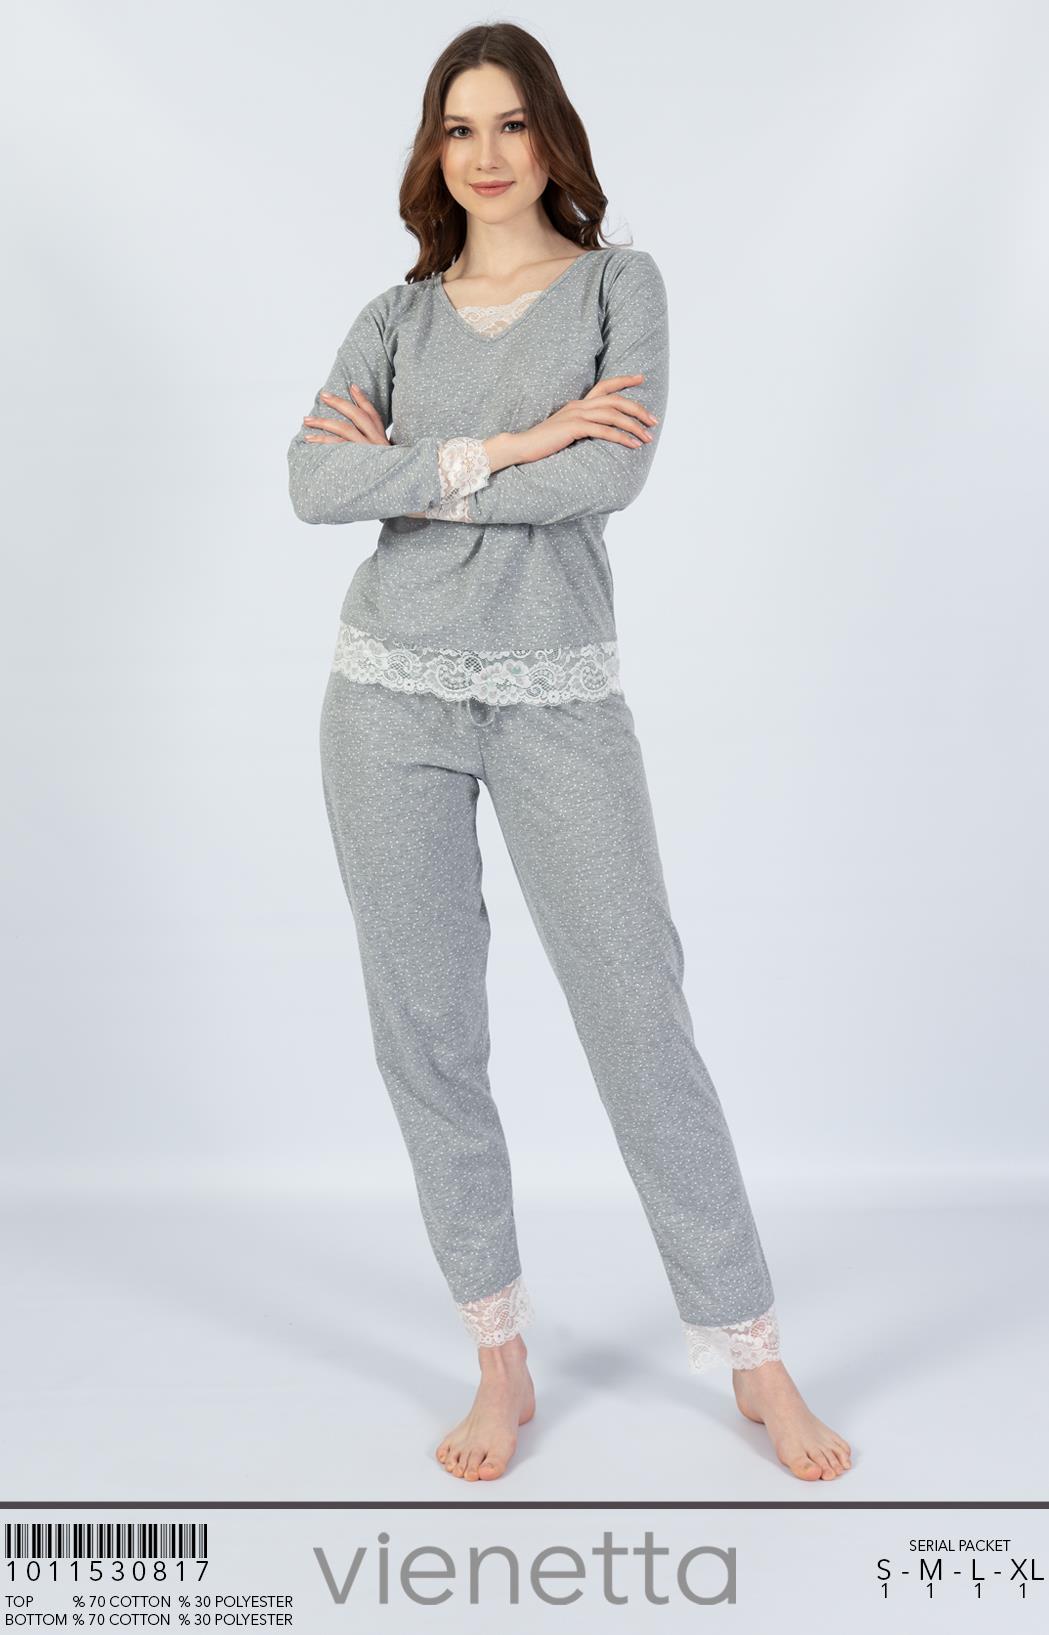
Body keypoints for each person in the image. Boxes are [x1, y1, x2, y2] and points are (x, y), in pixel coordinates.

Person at [287, 21, 851, 1485]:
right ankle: (499, 1358)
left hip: (557, 696)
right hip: (386, 696)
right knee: (427, 1031)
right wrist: (519, 445)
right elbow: (311, 483)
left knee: (635, 1011)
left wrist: (425, 473)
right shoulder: (394, 316)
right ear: (435, 150)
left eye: (510, 124)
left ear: (552, 136)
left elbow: (619, 470)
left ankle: (752, 1354)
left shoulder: (618, 287)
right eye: (457, 127)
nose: (485, 155)